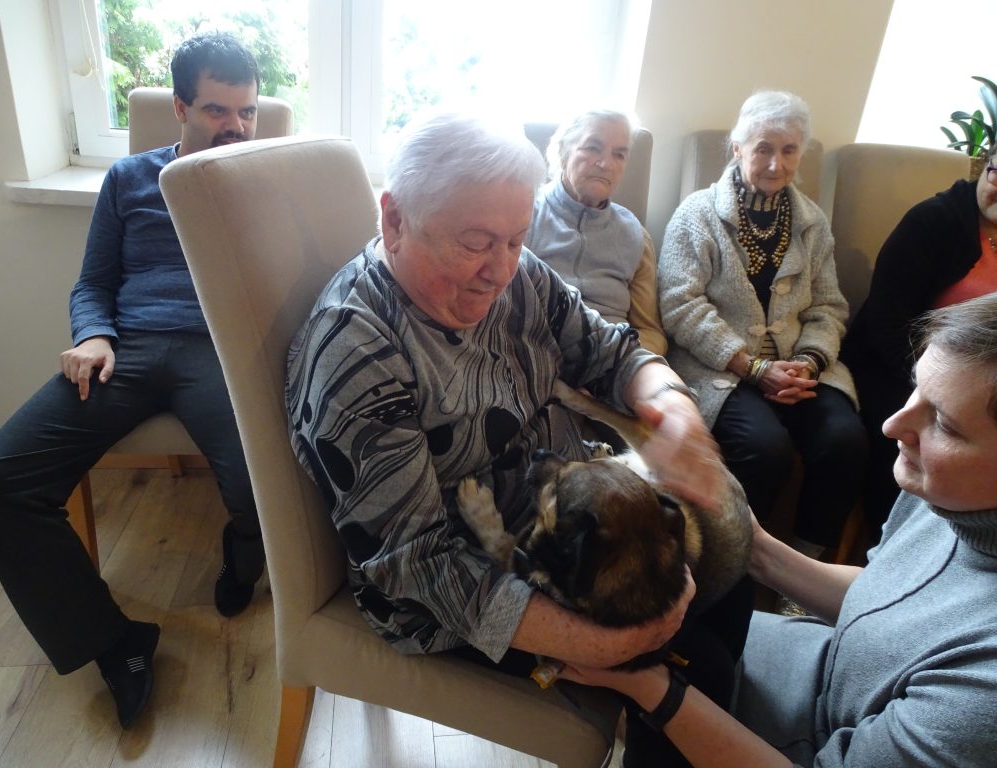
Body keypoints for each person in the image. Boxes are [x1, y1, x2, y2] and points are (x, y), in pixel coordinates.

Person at [285, 113, 747, 766]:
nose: (501, 269)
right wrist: (602, 643)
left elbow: (611, 352)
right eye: (476, 243)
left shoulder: (518, 273)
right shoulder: (358, 352)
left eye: (516, 238)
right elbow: (416, 563)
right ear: (394, 221)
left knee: (728, 569)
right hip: (455, 585)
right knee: (698, 666)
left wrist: (675, 410)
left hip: (559, 509)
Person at [557, 292, 997, 767]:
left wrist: (648, 687)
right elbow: (891, 596)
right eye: (916, 388)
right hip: (815, 666)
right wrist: (755, 546)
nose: (892, 426)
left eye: (944, 425)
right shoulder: (950, 492)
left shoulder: (982, 696)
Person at [0, 32, 264, 729]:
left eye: (247, 111)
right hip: (124, 349)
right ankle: (114, 641)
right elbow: (93, 281)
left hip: (217, 354)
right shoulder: (130, 178)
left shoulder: (267, 179)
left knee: (264, 492)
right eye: (218, 110)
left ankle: (241, 557)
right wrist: (92, 335)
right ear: (181, 108)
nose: (236, 125)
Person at [658, 90, 868, 560]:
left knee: (845, 441)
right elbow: (680, 305)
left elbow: (828, 306)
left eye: (789, 150)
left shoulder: (813, 223)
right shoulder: (696, 215)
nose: (776, 164)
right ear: (738, 149)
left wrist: (809, 363)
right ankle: (733, 562)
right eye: (763, 149)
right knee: (764, 448)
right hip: (721, 369)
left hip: (799, 368)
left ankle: (807, 569)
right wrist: (753, 367)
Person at [842, 144, 997, 543]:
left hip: (982, 381)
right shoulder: (932, 221)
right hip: (898, 367)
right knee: (920, 439)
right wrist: (935, 385)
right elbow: (886, 322)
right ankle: (892, 547)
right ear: (983, 166)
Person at [526, 109, 666, 356]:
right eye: (592, 148)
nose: (605, 164)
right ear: (563, 151)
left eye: (619, 155)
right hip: (536, 353)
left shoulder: (635, 235)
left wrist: (623, 359)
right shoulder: (524, 214)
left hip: (614, 359)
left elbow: (650, 331)